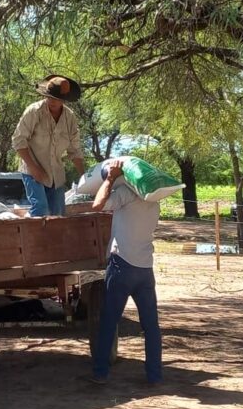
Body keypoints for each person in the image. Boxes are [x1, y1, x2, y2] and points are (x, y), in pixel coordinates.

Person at [86, 160, 162, 384]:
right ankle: (154, 376)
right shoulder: (154, 200)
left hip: (122, 265)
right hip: (145, 268)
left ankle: (100, 373)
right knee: (151, 326)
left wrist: (110, 178)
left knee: (109, 321)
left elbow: (97, 205)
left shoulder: (125, 194)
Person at [11, 74, 86, 217]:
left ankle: (45, 230)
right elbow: (18, 140)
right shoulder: (34, 111)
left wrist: (85, 177)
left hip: (56, 174)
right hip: (32, 169)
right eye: (49, 97)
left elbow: (75, 150)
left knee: (57, 214)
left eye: (57, 99)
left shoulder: (69, 118)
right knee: (41, 209)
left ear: (64, 100)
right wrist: (34, 169)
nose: (52, 101)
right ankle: (30, 229)